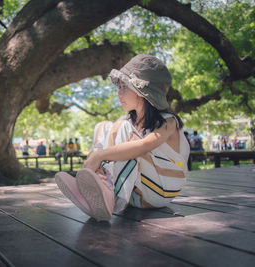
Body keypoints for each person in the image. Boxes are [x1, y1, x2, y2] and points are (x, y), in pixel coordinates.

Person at [55, 54, 190, 221]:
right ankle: (95, 185)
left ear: (142, 92)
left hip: (161, 190)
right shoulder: (127, 122)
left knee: (129, 147)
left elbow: (144, 146)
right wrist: (94, 163)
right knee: (104, 127)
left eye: (124, 87)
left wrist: (99, 156)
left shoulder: (168, 122)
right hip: (134, 194)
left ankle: (107, 191)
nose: (119, 93)